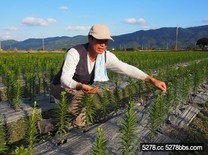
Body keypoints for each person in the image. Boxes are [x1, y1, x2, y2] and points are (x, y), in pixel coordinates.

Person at [51, 23, 167, 128]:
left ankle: (74, 124)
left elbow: (125, 68)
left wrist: (151, 79)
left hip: (81, 89)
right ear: (90, 38)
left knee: (84, 104)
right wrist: (81, 86)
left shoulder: (105, 56)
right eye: (99, 40)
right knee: (79, 99)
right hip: (60, 87)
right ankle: (58, 125)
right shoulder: (75, 53)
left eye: (105, 41)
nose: (103, 45)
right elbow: (64, 79)